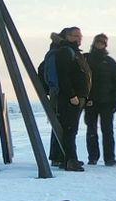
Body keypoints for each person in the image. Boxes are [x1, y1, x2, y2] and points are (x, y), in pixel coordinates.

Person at [37, 27, 89, 172]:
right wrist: (72, 95)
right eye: (75, 35)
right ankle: (70, 160)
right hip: (68, 98)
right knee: (69, 129)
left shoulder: (70, 51)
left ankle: (63, 157)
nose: (78, 38)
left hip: (70, 97)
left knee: (67, 128)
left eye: (80, 36)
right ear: (67, 36)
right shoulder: (66, 52)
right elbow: (64, 75)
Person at [84, 33, 116, 167]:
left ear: (105, 45)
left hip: (107, 102)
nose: (100, 44)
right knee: (91, 130)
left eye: (102, 42)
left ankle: (109, 158)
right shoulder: (86, 59)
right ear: (94, 43)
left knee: (108, 130)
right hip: (90, 102)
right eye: (98, 42)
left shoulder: (110, 62)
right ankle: (93, 157)